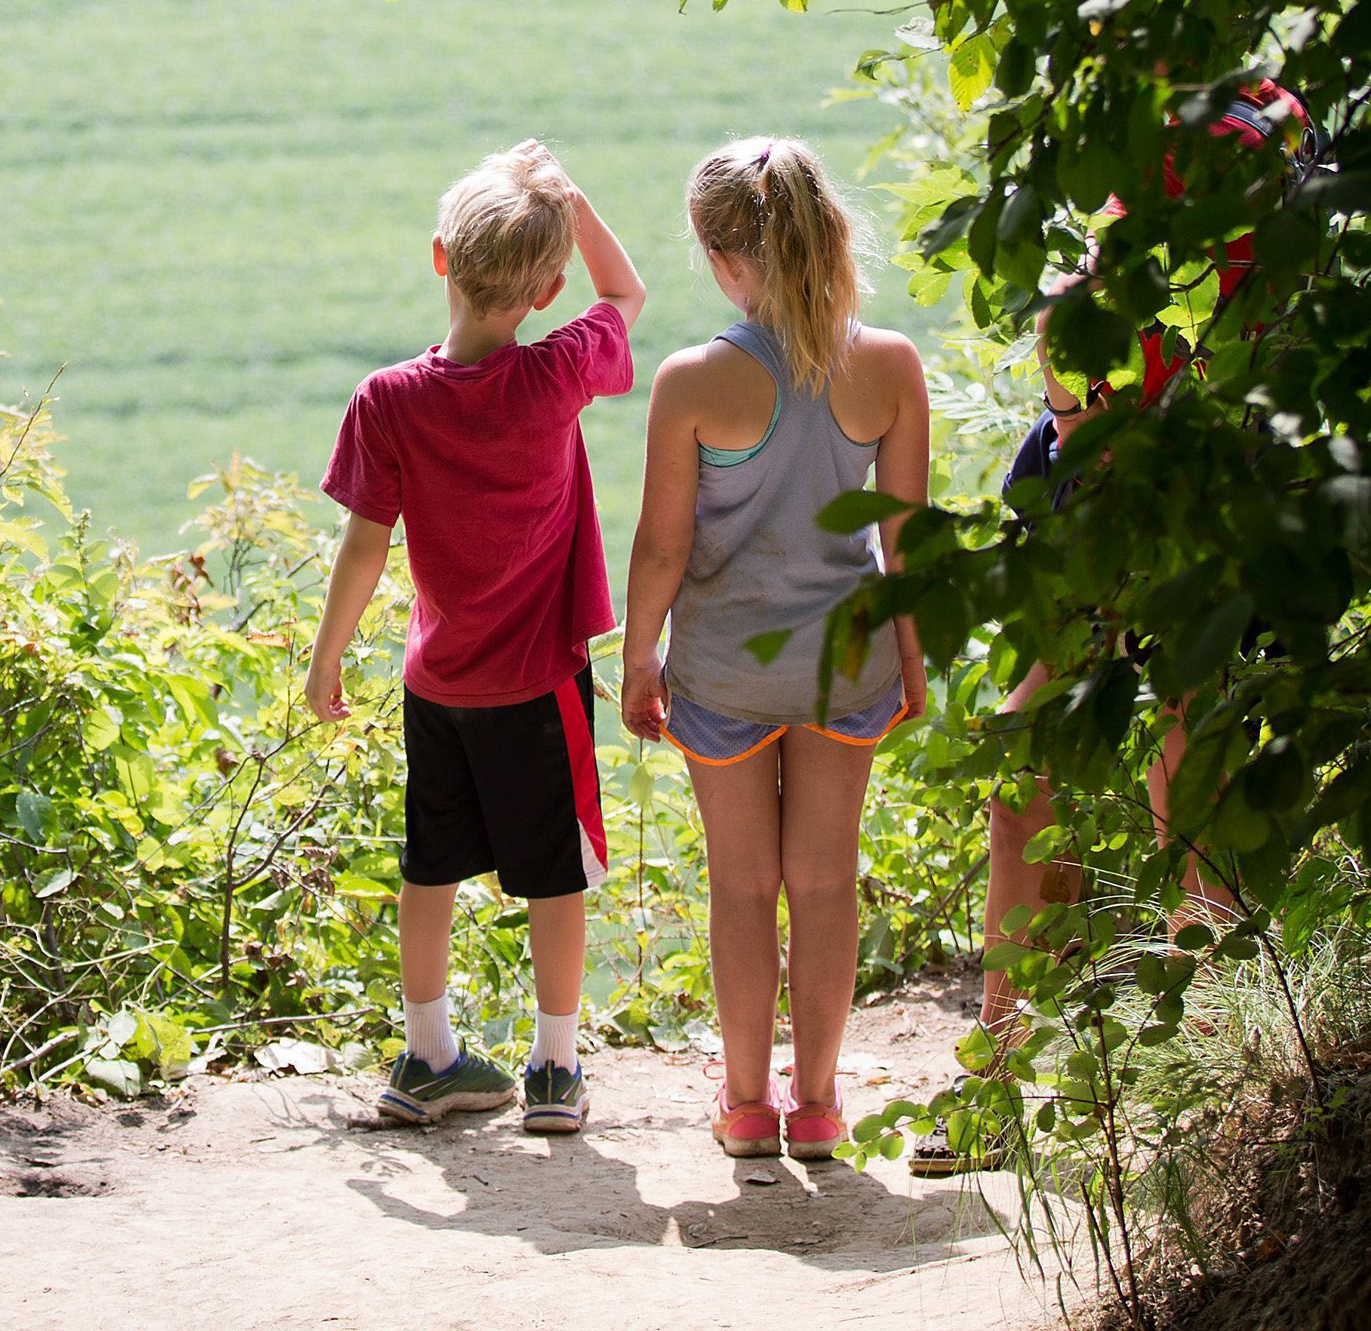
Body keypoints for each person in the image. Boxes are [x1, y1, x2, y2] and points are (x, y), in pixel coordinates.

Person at [973, 81, 1331, 1043]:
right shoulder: (1104, 285)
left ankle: (1206, 1063)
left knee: (1193, 801)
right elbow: (1083, 461)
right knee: (1023, 769)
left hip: (1231, 515)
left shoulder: (1254, 124)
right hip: (1119, 521)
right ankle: (1002, 1058)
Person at [306, 140, 645, 1136]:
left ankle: (428, 1055)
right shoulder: (555, 376)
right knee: (556, 871)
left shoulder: (388, 400)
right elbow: (625, 298)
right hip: (537, 684)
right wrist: (572, 204)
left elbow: (366, 544)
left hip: (436, 680)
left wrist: (328, 656)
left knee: (431, 864)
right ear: (545, 291)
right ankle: (554, 1065)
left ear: (439, 257)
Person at [618, 137, 931, 1164]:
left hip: (725, 674)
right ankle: (823, 1104)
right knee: (828, 882)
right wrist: (914, 659)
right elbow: (904, 534)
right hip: (851, 662)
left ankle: (747, 1103)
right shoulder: (888, 366)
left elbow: (664, 543)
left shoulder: (694, 381)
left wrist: (637, 658)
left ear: (720, 255)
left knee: (744, 885)